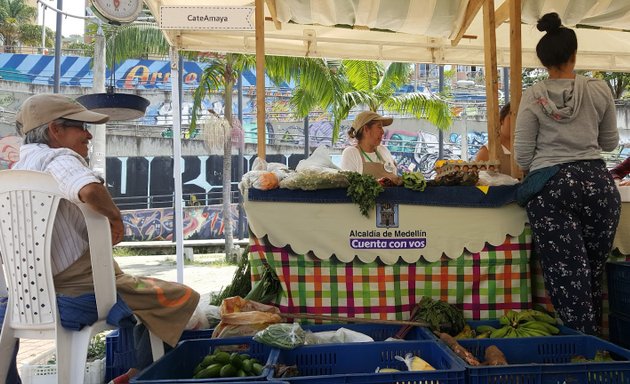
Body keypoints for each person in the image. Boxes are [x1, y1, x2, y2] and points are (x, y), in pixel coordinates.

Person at [10, 94, 201, 384]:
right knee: (179, 296)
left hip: (28, 297)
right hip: (80, 292)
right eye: (80, 126)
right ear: (55, 130)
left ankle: (136, 371)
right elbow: (87, 189)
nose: (88, 134)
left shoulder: (15, 172)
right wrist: (115, 217)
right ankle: (146, 376)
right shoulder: (57, 157)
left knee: (139, 300)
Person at [513, 13, 620, 336]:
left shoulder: (533, 95)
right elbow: (609, 143)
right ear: (574, 56)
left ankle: (580, 351)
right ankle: (596, 348)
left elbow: (521, 155)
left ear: (544, 62)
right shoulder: (598, 89)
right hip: (598, 185)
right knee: (591, 273)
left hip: (554, 188)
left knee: (568, 276)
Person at [340, 111, 401, 185]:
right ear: (366, 129)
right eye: (379, 127)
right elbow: (349, 186)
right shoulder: (351, 153)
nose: (382, 132)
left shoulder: (384, 150)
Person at [475, 102, 513, 175]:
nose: (515, 124)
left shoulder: (527, 149)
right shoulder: (486, 151)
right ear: (502, 120)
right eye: (511, 119)